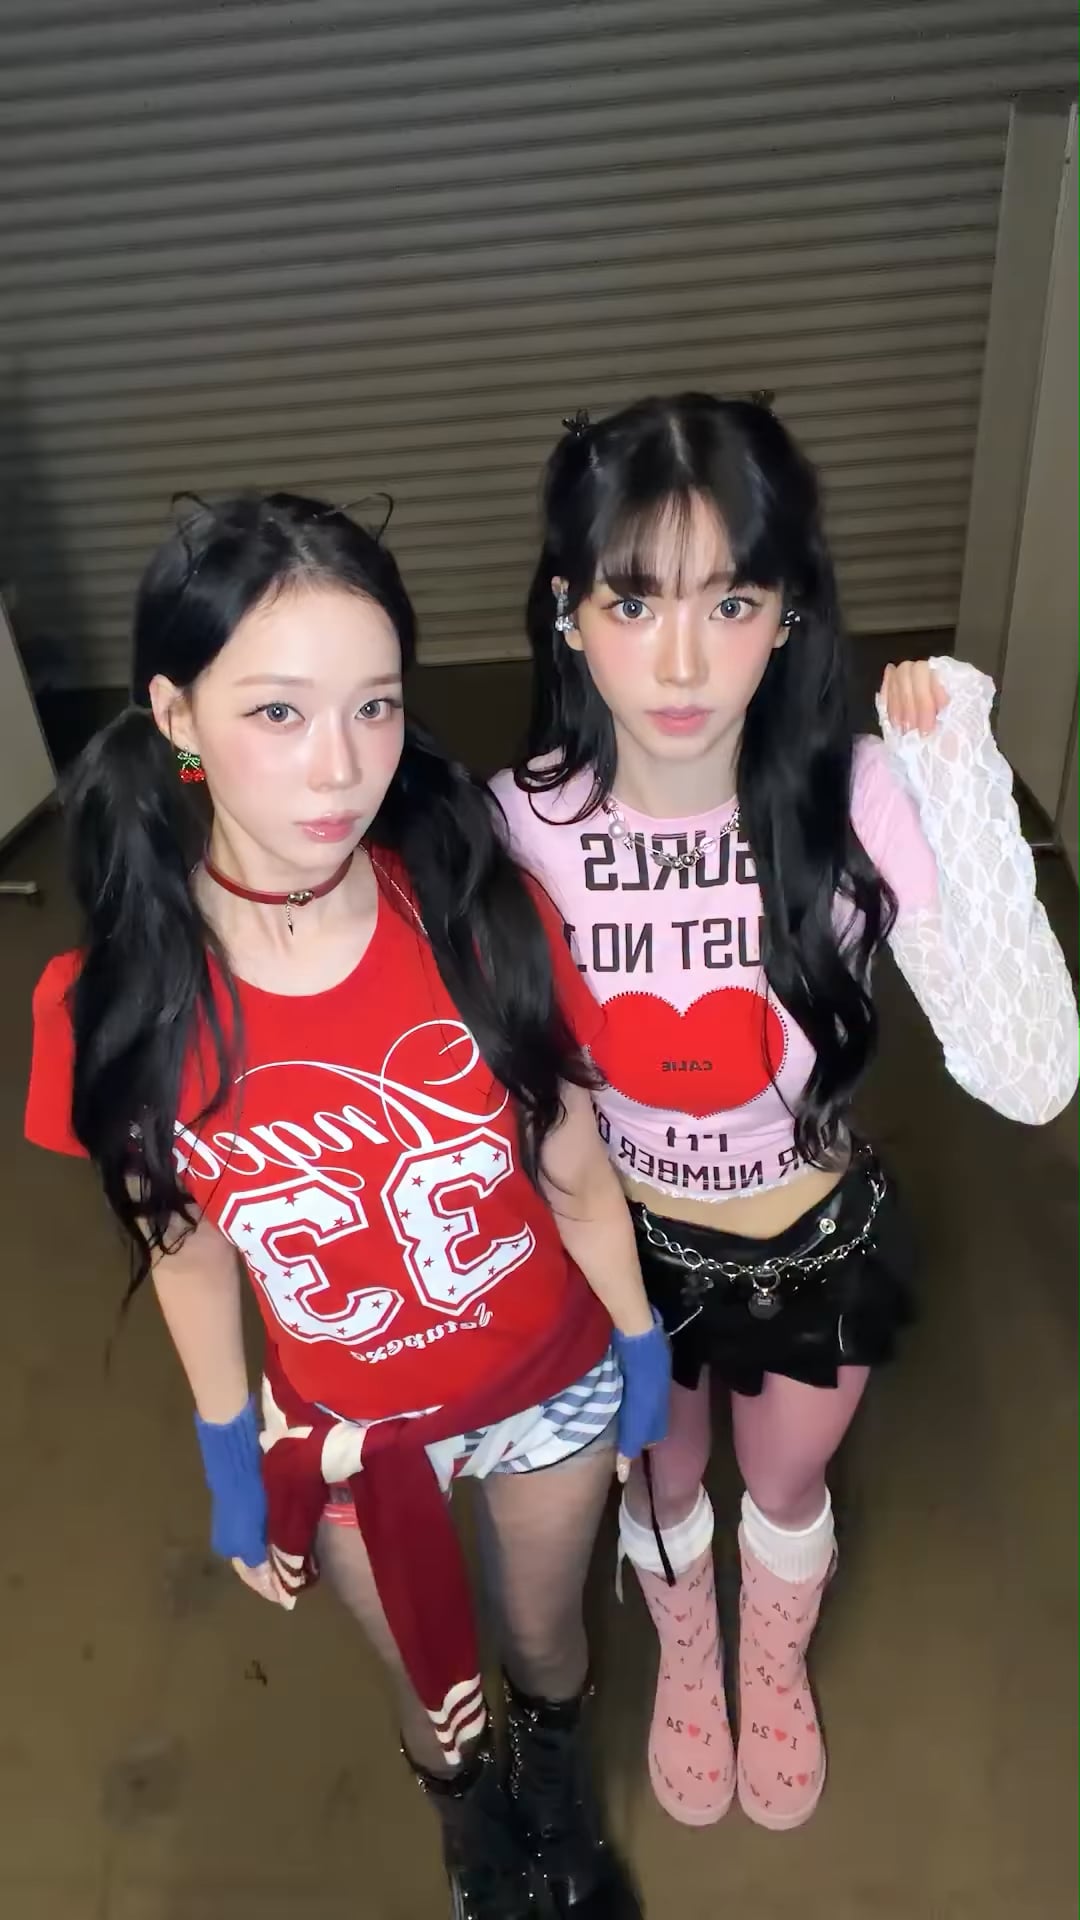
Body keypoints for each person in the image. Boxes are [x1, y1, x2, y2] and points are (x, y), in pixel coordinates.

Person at [24, 492, 671, 1919]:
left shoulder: (475, 914)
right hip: (345, 1433)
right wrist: (227, 1450)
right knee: (429, 1686)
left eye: (375, 705)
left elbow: (569, 1153)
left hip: (545, 1379)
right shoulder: (114, 1010)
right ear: (176, 717)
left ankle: (556, 1795)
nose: (341, 766)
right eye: (278, 711)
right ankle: (473, 1831)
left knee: (548, 1642)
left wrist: (638, 1336)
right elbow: (187, 1249)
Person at [490, 393, 1078, 1834]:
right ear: (570, 613)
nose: (683, 661)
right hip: (622, 1258)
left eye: (733, 601)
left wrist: (958, 778)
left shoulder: (859, 796)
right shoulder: (516, 823)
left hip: (810, 1243)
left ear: (788, 612)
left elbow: (1029, 1072)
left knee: (786, 1476)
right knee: (662, 1475)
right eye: (636, 601)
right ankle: (692, 1655)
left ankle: (771, 1654)